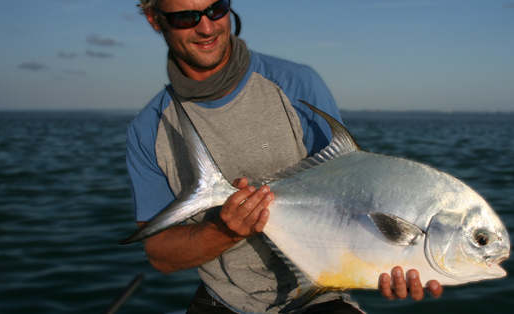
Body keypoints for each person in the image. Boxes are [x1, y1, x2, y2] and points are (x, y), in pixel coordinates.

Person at [126, 0, 443, 313]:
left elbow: (351, 204)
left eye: (216, 9)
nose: (207, 28)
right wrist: (225, 231)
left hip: (319, 299)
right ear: (154, 18)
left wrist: (390, 261)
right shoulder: (149, 129)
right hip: (223, 301)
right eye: (185, 17)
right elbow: (160, 255)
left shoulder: (297, 84)